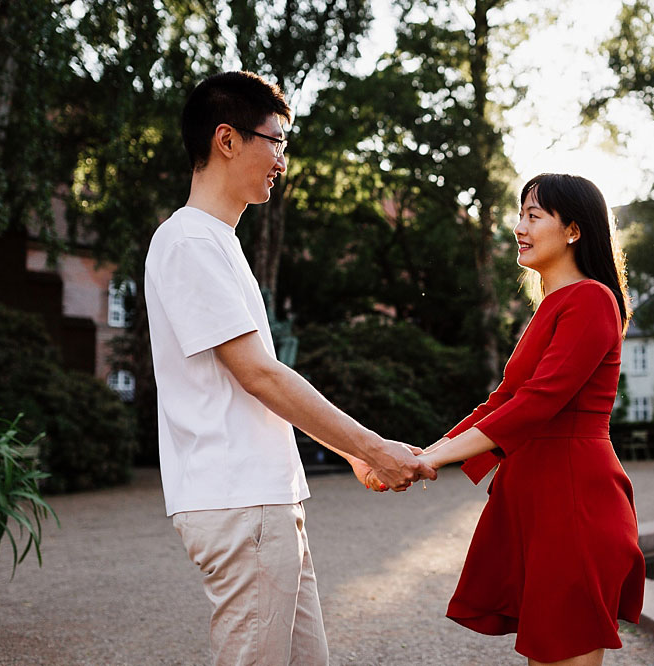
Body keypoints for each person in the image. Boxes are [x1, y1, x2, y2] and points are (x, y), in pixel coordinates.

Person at [144, 71, 435, 666]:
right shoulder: (190, 242)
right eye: (275, 141)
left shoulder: (217, 241)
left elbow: (257, 383)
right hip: (240, 502)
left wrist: (352, 453)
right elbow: (261, 374)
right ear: (227, 140)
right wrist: (373, 447)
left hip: (264, 501)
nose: (282, 160)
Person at [415, 174, 646, 665]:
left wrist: (427, 461)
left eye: (533, 215)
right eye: (520, 214)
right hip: (540, 499)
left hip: (574, 501)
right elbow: (504, 400)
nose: (519, 226)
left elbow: (538, 402)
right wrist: (425, 455)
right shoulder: (551, 307)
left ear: (574, 230)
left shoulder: (591, 299)